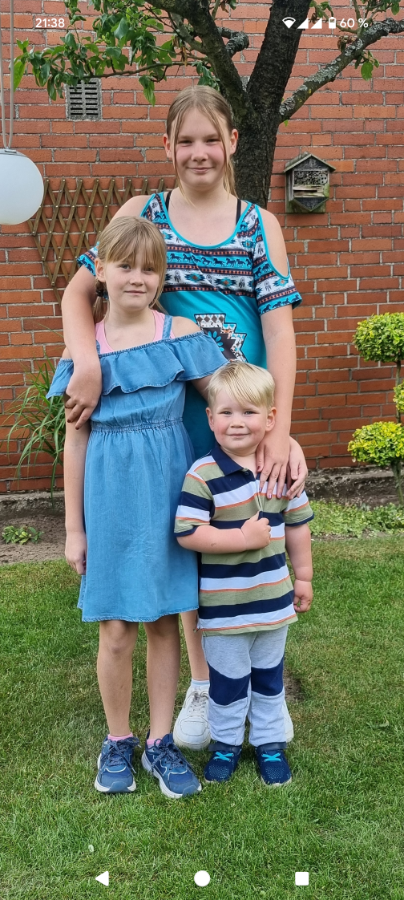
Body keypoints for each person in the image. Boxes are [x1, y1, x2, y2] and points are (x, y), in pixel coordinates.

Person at [60, 85, 308, 751]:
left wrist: (280, 427)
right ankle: (203, 683)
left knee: (247, 538)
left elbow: (279, 332)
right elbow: (79, 293)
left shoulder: (258, 224)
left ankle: (253, 679)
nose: (199, 152)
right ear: (167, 146)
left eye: (211, 139)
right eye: (186, 140)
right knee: (189, 542)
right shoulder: (142, 213)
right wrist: (87, 363)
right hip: (170, 414)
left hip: (237, 412)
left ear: (232, 143)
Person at [47, 216, 226, 798]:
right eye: (125, 266)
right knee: (117, 628)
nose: (138, 278)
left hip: (169, 496)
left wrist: (274, 434)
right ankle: (117, 739)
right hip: (109, 498)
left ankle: (161, 741)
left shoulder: (178, 333)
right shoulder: (87, 349)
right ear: (99, 271)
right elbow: (76, 442)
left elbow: (226, 397)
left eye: (150, 269)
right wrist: (74, 529)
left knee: (164, 620)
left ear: (160, 278)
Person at [174, 362, 313, 786]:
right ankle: (226, 744)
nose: (237, 422)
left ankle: (270, 744)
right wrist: (241, 538)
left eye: (249, 412)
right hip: (224, 610)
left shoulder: (279, 470)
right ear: (210, 418)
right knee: (228, 683)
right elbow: (187, 532)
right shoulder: (203, 475)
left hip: (272, 604)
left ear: (270, 419)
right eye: (227, 412)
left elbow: (298, 524)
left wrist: (304, 576)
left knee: (269, 679)